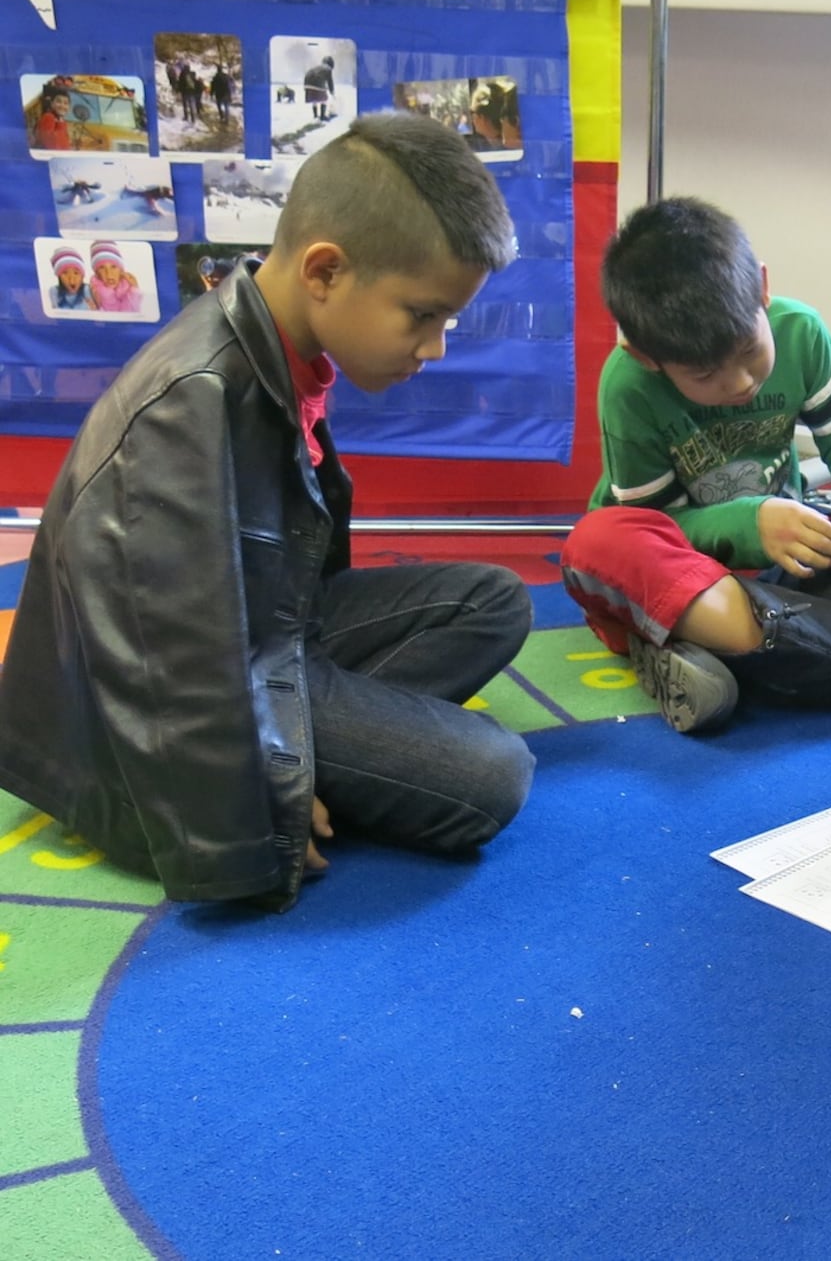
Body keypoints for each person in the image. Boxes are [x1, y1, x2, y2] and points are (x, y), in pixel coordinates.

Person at [0, 112, 535, 910]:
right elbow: (172, 664)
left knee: (496, 601)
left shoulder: (285, 347)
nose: (435, 349)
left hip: (270, 636)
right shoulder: (190, 402)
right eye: (423, 315)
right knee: (492, 776)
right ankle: (322, 762)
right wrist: (263, 811)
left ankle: (333, 753)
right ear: (325, 271)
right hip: (165, 705)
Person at [561, 197, 831, 733]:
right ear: (647, 356)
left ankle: (745, 649)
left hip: (792, 566)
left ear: (762, 287)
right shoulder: (628, 384)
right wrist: (752, 524)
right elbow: (654, 525)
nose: (738, 383)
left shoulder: (801, 331)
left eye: (746, 349)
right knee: (594, 541)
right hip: (695, 572)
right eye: (704, 373)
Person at [87, 241, 142, 313]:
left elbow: (130, 316)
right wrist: (98, 308)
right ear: (97, 273)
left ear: (121, 270)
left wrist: (134, 289)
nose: (109, 273)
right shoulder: (94, 293)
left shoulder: (130, 287)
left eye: (113, 267)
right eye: (102, 268)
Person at [47, 246, 96, 311]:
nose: (71, 279)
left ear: (82, 275)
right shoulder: (54, 291)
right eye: (65, 273)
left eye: (76, 273)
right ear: (59, 276)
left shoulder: (87, 290)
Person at [32, 86, 74, 151]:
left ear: (69, 107)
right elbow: (53, 146)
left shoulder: (61, 121)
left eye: (66, 103)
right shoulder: (48, 117)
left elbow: (65, 145)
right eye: (58, 101)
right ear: (52, 103)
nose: (62, 106)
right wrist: (60, 123)